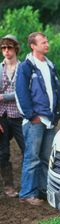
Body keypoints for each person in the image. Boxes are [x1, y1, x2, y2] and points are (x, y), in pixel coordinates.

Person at [15, 32, 60, 206]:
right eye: (43, 42)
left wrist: (58, 111)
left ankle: (43, 190)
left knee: (45, 158)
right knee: (32, 158)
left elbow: (56, 90)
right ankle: (27, 193)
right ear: (33, 46)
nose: (47, 44)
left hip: (50, 120)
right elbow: (21, 93)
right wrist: (31, 115)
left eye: (47, 41)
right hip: (35, 121)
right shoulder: (26, 66)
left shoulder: (50, 65)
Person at [0, 34, 24, 198]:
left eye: (9, 47)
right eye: (3, 48)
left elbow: (23, 92)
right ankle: (9, 186)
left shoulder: (23, 68)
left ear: (15, 48)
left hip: (19, 116)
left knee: (28, 151)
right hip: (1, 116)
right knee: (3, 153)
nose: (6, 51)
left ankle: (29, 185)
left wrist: (4, 96)